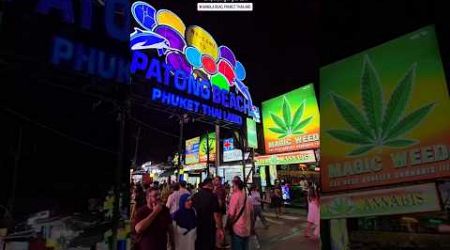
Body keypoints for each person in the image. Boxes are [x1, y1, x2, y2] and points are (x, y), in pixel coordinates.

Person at [191, 178, 224, 250]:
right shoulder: (213, 196)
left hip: (197, 227)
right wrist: (219, 229)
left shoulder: (195, 196)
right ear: (209, 184)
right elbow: (216, 215)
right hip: (209, 228)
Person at [227, 177, 253, 250]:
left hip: (237, 229)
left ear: (236, 186)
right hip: (247, 228)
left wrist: (227, 226)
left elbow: (231, 214)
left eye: (233, 186)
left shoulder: (235, 196)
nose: (232, 187)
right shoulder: (247, 196)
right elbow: (251, 213)